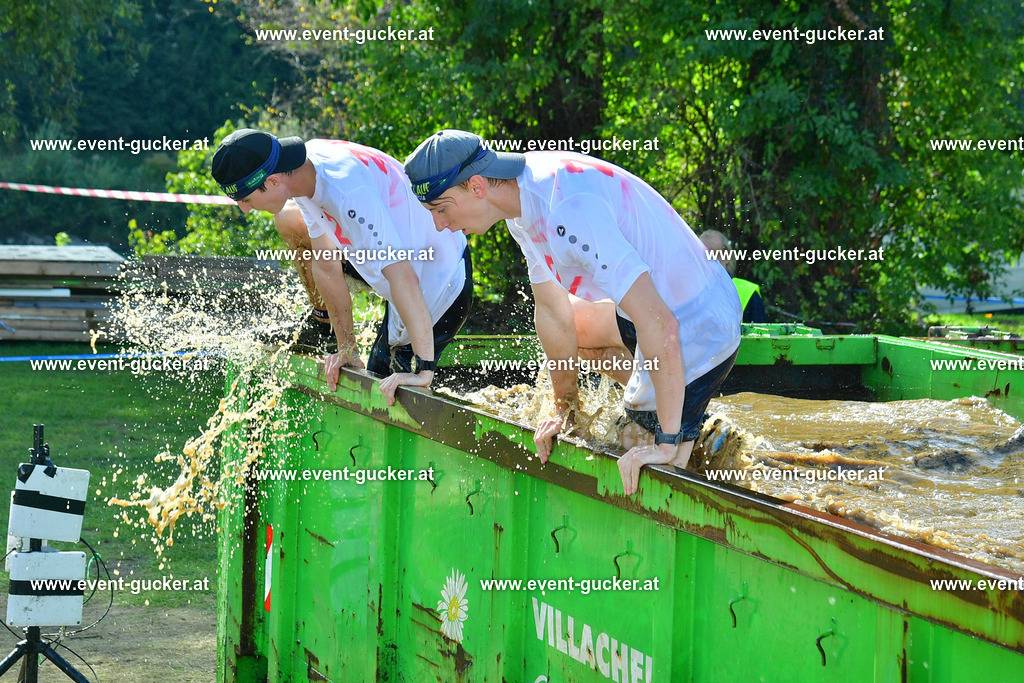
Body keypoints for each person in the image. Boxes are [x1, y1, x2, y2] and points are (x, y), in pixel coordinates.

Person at [404, 130, 741, 495]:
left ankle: (680, 429)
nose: (440, 225)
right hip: (665, 308)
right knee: (576, 330)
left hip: (699, 327)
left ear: (476, 187)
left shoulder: (567, 212)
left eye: (441, 209)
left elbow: (663, 324)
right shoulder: (522, 202)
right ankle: (687, 419)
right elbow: (553, 310)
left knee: (641, 467)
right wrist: (565, 412)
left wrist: (664, 442)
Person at [212, 129, 472, 405]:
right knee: (288, 220)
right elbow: (325, 264)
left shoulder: (347, 192)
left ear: (273, 181)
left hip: (440, 285)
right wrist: (346, 346)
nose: (244, 209)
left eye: (246, 199)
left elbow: (403, 277)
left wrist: (424, 369)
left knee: (384, 395)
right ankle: (320, 321)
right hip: (410, 269)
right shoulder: (301, 170)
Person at [699, 230, 767, 323]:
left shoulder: (746, 292)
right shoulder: (687, 294)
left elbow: (760, 335)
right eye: (700, 255)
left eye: (713, 254)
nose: (707, 260)